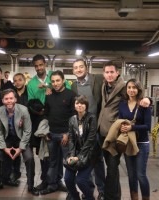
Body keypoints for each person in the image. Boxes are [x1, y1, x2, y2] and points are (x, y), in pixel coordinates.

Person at [97, 61, 150, 200]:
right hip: (103, 133)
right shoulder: (104, 86)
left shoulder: (123, 87)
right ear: (103, 73)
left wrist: (147, 99)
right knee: (119, 171)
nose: (109, 75)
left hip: (117, 135)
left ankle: (110, 197)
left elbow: (136, 96)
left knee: (115, 169)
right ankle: (116, 196)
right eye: (106, 72)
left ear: (117, 73)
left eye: (111, 72)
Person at [27, 54, 71, 191]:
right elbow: (31, 102)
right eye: (36, 66)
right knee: (44, 154)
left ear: (45, 64)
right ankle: (45, 180)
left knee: (58, 155)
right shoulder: (31, 83)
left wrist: (49, 85)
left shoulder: (53, 76)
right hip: (42, 119)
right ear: (34, 67)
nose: (39, 67)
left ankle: (58, 180)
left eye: (41, 64)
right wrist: (39, 111)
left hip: (59, 118)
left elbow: (67, 86)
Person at [0, 89, 38, 195]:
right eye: (6, 99)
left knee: (29, 158)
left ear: (15, 99)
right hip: (7, 139)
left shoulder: (23, 110)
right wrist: (4, 148)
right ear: (2, 100)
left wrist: (20, 148)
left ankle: (31, 186)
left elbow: (27, 130)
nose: (9, 101)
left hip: (21, 138)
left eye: (11, 98)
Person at [71, 58, 104, 199]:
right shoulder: (73, 86)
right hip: (82, 131)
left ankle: (102, 190)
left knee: (98, 161)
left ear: (86, 68)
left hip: (96, 128)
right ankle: (88, 190)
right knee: (85, 160)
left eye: (81, 67)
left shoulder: (97, 80)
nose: (78, 70)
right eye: (75, 68)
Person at [39, 70, 76, 195]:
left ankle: (71, 188)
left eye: (58, 80)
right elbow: (46, 114)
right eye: (53, 81)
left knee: (67, 162)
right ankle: (53, 184)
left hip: (65, 134)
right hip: (51, 134)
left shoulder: (71, 95)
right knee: (53, 161)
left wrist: (67, 134)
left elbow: (74, 117)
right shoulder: (49, 95)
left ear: (63, 80)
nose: (55, 83)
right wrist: (46, 132)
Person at [118, 79, 151, 200]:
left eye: (134, 87)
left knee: (141, 175)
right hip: (128, 144)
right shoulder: (122, 104)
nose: (131, 90)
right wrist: (121, 127)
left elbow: (148, 126)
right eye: (129, 87)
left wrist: (132, 127)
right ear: (126, 89)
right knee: (131, 175)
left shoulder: (144, 104)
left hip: (142, 144)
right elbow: (120, 120)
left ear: (138, 89)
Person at [65, 95, 98, 200]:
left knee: (81, 180)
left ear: (86, 105)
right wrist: (71, 155)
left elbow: (90, 140)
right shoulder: (72, 119)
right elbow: (71, 139)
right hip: (75, 153)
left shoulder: (92, 118)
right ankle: (75, 197)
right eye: (77, 103)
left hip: (89, 154)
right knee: (68, 179)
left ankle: (89, 198)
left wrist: (78, 157)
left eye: (82, 103)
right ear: (74, 105)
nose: (79, 105)